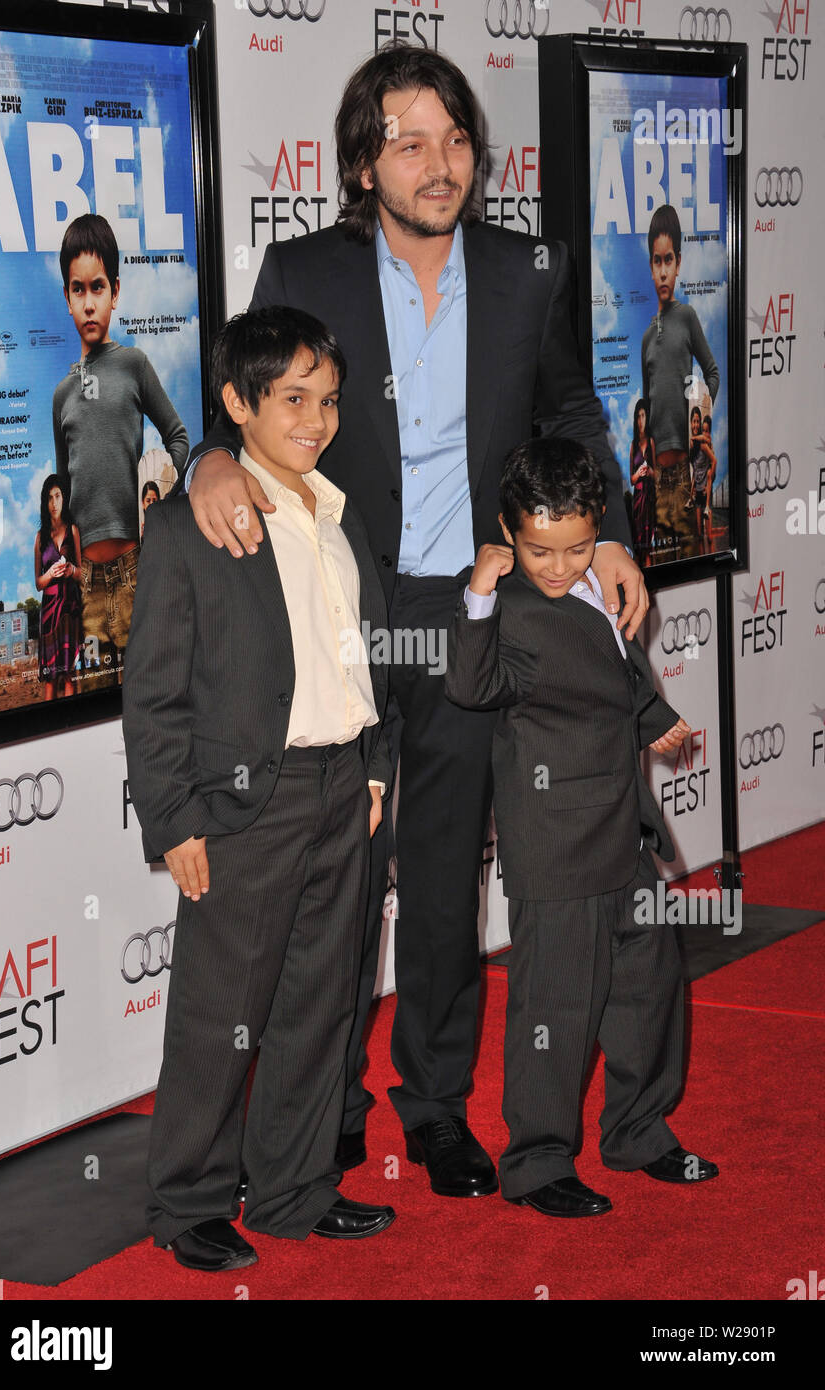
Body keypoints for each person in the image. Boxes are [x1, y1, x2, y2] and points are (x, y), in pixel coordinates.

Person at [180, 44, 647, 1199]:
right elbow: (238, 396)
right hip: (337, 605)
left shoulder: (526, 268)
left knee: (440, 874)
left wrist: (620, 532)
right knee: (328, 874)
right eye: (408, 141)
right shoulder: (304, 268)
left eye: (454, 140)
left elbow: (572, 408)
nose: (439, 166)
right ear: (360, 160)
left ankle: (433, 1105)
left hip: (462, 615)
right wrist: (204, 463)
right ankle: (320, 1108)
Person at [122, 306, 395, 1273]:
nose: (316, 421)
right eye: (291, 400)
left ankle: (292, 1189)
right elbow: (154, 691)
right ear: (237, 403)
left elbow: (367, 659)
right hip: (246, 804)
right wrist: (173, 818)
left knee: (323, 1007)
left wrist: (371, 767)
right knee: (219, 1010)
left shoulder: (339, 511)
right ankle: (190, 1200)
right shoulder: (190, 524)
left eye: (327, 401)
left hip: (338, 787)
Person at [445, 437, 718, 1217]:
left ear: (596, 526)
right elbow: (470, 687)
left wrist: (655, 719)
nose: (558, 567)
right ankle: (535, 1164)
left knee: (650, 987)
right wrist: (480, 593)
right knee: (554, 1008)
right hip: (556, 843)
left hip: (622, 827)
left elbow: (617, 675)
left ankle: (638, 1131)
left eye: (573, 548)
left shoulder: (600, 577)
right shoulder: (510, 606)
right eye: (537, 551)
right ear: (508, 530)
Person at [53, 214, 189, 679]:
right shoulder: (62, 394)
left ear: (115, 290)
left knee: (149, 703)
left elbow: (178, 437)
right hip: (87, 586)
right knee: (94, 712)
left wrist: (160, 489)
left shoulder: (134, 365)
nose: (89, 303)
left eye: (98, 288)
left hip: (136, 573)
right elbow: (65, 489)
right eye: (78, 289)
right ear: (67, 298)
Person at [640, 204, 719, 564]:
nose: (662, 271)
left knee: (691, 569)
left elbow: (712, 372)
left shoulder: (686, 317)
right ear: (650, 265)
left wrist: (700, 423)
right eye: (656, 261)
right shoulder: (644, 339)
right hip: (658, 482)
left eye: (668, 260)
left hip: (686, 477)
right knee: (660, 578)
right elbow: (646, 407)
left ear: (679, 262)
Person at [34, 474, 83, 699]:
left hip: (70, 611)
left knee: (69, 674)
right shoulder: (40, 538)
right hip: (49, 614)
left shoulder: (73, 531)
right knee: (50, 678)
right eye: (50, 498)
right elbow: (38, 583)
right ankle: (48, 724)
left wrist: (71, 569)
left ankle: (71, 723)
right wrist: (50, 574)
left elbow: (82, 575)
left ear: (64, 498)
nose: (54, 503)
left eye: (58, 496)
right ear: (45, 502)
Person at [629, 398, 656, 567]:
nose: (641, 420)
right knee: (637, 544)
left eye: (643, 416)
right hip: (638, 498)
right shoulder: (633, 445)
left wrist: (650, 471)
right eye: (638, 416)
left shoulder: (652, 442)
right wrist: (638, 473)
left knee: (649, 543)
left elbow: (657, 475)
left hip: (650, 498)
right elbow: (631, 480)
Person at [687, 408, 716, 554]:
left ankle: (715, 568)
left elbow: (713, 463)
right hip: (697, 494)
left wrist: (710, 477)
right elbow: (695, 472)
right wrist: (691, 493)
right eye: (694, 421)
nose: (696, 425)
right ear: (691, 423)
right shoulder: (693, 447)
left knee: (709, 537)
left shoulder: (704, 443)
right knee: (699, 536)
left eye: (698, 421)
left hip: (706, 493)